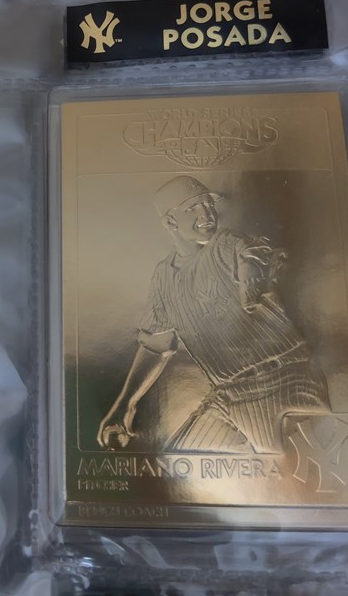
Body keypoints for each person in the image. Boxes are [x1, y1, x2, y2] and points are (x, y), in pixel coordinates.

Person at [97, 176, 330, 454]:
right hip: (229, 393)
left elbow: (252, 252)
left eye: (208, 204)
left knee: (281, 468)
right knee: (179, 459)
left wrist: (254, 269)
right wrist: (125, 404)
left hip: (284, 379)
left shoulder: (225, 243)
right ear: (170, 222)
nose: (206, 214)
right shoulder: (163, 277)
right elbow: (156, 346)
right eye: (192, 208)